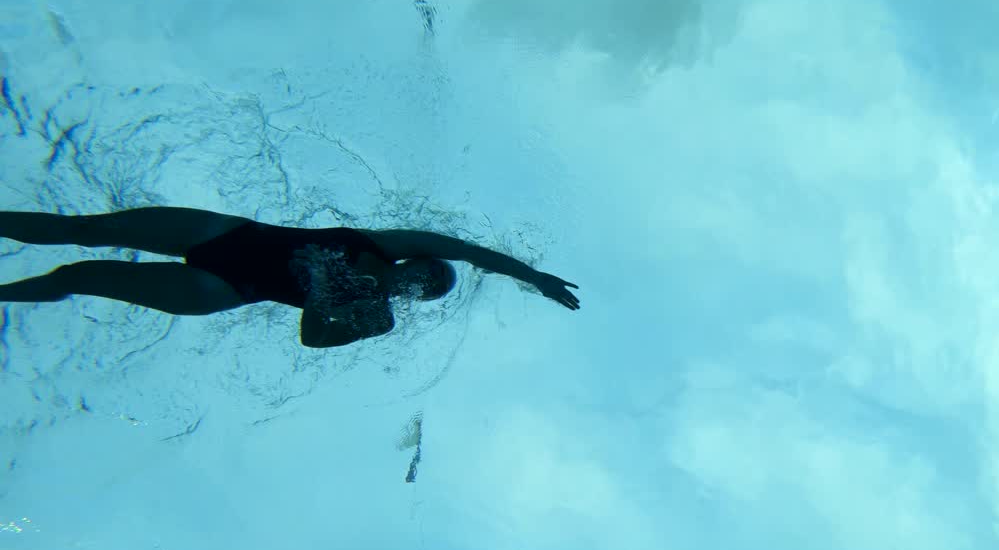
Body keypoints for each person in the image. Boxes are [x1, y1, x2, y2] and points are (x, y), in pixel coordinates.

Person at [0, 206, 580, 348]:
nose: (412, 284)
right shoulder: (384, 245)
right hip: (226, 236)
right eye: (420, 273)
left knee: (77, 273)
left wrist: (323, 302)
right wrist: (537, 278)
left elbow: (310, 336)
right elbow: (473, 251)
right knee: (86, 230)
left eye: (419, 289)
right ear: (416, 264)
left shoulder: (375, 317)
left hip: (224, 290)